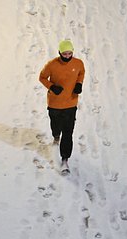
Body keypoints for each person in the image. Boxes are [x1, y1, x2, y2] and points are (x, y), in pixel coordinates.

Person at [39, 40, 85, 172]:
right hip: (54, 104)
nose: (67, 56)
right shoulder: (52, 65)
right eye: (64, 54)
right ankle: (55, 136)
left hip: (71, 103)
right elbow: (42, 77)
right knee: (55, 127)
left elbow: (81, 72)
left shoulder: (78, 63)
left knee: (68, 132)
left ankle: (65, 160)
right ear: (59, 52)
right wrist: (52, 87)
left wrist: (79, 84)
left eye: (70, 53)